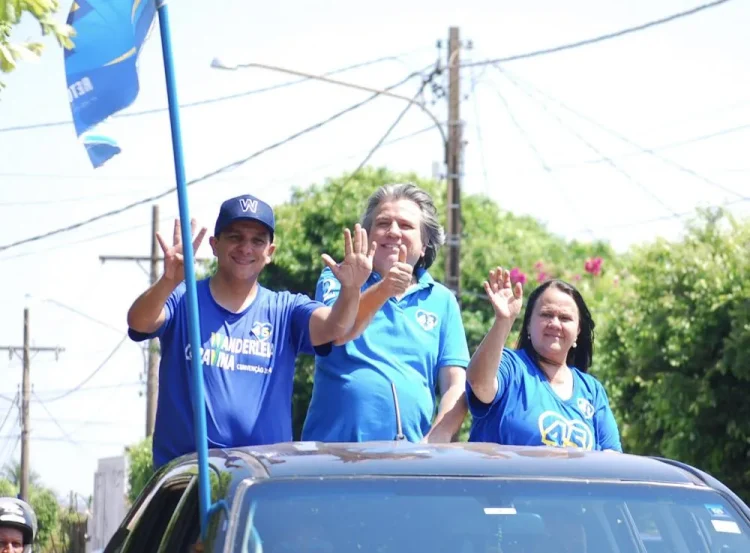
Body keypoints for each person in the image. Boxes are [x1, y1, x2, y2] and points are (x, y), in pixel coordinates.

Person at [127, 193, 375, 468]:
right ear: (214, 244)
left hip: (263, 478)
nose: (246, 248)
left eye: (257, 240)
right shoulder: (184, 300)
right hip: (189, 478)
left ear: (270, 253)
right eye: (235, 237)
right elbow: (139, 322)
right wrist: (168, 281)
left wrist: (351, 289)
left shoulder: (285, 308)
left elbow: (335, 327)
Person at [302, 183, 470, 443]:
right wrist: (384, 289)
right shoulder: (339, 278)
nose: (393, 232)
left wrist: (437, 439)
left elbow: (455, 384)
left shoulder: (443, 300)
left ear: (425, 244)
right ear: (368, 236)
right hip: (335, 458)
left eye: (405, 225)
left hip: (410, 464)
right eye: (383, 223)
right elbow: (336, 332)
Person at [465, 268, 621, 452]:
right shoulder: (510, 366)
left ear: (578, 331)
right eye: (546, 314)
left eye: (565, 318)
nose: (555, 323)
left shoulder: (592, 391)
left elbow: (612, 459)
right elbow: (479, 383)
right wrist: (503, 321)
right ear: (529, 325)